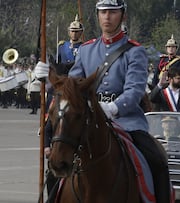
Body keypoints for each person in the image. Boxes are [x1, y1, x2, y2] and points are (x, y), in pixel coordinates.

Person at [34, 1, 171, 203]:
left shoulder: (135, 51)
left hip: (127, 122)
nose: (107, 17)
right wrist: (49, 80)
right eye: (103, 12)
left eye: (113, 12)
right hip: (89, 120)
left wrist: (113, 108)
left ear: (123, 15)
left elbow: (134, 91)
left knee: (157, 160)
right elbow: (72, 86)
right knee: (58, 160)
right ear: (98, 15)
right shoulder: (87, 50)